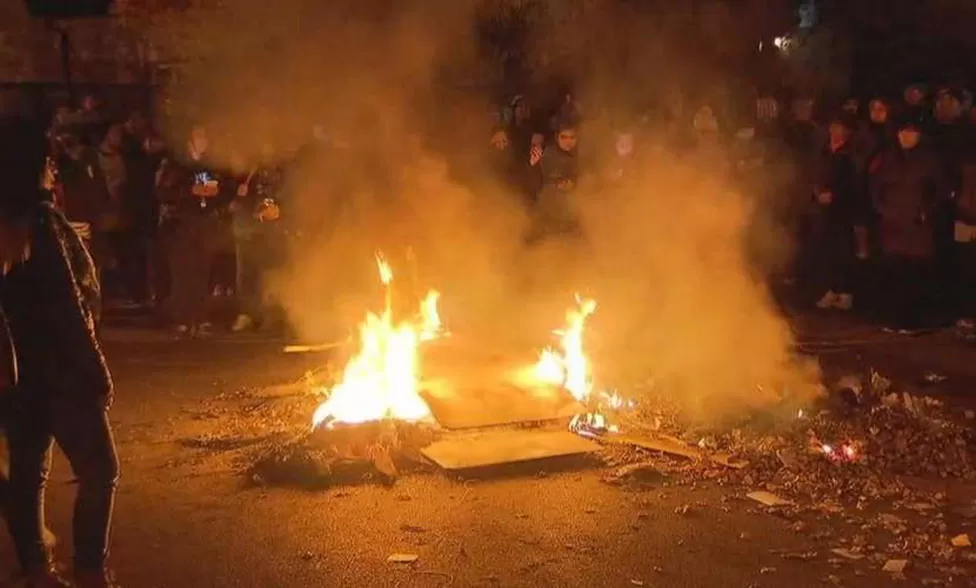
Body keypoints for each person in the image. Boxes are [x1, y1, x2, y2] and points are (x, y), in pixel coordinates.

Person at [0, 115, 120, 588]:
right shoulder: (39, 224)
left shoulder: (10, 220)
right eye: (46, 156)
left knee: (30, 472)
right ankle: (90, 571)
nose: (53, 163)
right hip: (59, 372)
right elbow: (65, 304)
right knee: (101, 470)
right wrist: (96, 372)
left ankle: (36, 571)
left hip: (20, 377)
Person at [870, 116, 950, 329]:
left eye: (911, 133)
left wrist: (926, 212)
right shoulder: (887, 159)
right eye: (903, 133)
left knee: (915, 274)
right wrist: (883, 210)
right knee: (894, 272)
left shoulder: (930, 160)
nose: (907, 137)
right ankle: (894, 319)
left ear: (919, 135)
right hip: (893, 225)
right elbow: (875, 188)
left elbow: (941, 192)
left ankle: (915, 321)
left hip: (917, 227)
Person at [156, 125, 227, 337]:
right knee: (182, 272)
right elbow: (163, 191)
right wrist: (189, 191)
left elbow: (224, 189)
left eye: (205, 137)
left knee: (202, 271)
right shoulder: (176, 163)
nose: (203, 141)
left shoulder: (212, 165)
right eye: (199, 137)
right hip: (181, 224)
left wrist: (218, 194)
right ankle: (183, 318)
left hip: (205, 224)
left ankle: (200, 317)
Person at [811, 115, 861, 310]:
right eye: (834, 127)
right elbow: (814, 174)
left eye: (841, 128)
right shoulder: (823, 152)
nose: (837, 132)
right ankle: (831, 290)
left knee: (844, 251)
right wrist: (817, 193)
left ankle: (845, 292)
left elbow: (853, 184)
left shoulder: (850, 156)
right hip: (823, 211)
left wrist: (836, 195)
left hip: (844, 210)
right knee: (827, 252)